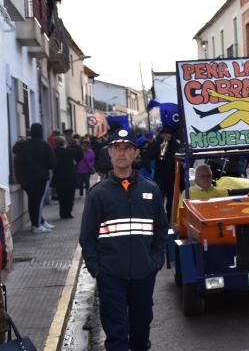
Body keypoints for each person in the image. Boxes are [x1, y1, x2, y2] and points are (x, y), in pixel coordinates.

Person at [79, 128, 168, 351]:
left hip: (143, 275)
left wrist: (155, 260)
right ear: (109, 153)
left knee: (140, 334)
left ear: (135, 152)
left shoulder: (151, 190)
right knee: (116, 336)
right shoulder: (98, 194)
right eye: (117, 148)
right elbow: (87, 237)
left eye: (127, 148)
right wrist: (96, 269)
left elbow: (161, 229)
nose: (122, 153)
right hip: (111, 277)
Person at [12, 123, 56, 233]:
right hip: (40, 178)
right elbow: (52, 163)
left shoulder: (23, 145)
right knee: (38, 202)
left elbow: (16, 154)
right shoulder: (45, 145)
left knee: (33, 201)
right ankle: (36, 225)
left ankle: (40, 221)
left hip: (26, 179)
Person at [151, 128, 178, 222]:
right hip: (160, 175)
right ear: (161, 135)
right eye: (164, 134)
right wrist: (159, 149)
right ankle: (159, 217)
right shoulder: (157, 143)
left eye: (168, 134)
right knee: (159, 197)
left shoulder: (176, 144)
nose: (166, 136)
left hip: (172, 176)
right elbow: (151, 155)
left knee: (171, 198)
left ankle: (170, 218)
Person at [51, 136, 83, 219]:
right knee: (69, 197)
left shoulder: (54, 152)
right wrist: (77, 145)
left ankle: (62, 213)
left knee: (61, 197)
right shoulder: (68, 151)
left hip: (58, 177)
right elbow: (80, 154)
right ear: (64, 142)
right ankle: (68, 213)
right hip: (69, 177)